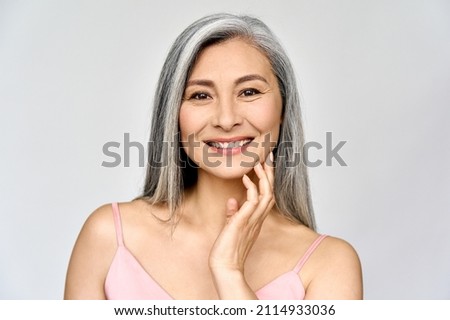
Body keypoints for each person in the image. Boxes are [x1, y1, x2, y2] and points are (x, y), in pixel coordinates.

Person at [64, 13, 363, 300]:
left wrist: (229, 272)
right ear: (173, 116)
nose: (226, 118)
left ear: (283, 109)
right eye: (200, 95)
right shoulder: (108, 236)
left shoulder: (329, 263)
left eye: (248, 92)